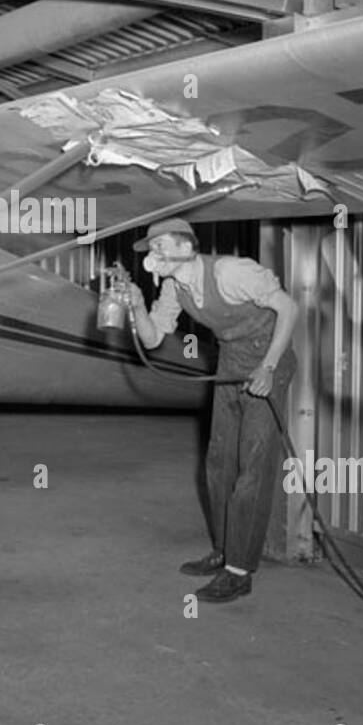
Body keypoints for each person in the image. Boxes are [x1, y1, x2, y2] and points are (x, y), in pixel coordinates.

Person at [117, 218, 299, 604]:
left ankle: (239, 570)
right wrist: (135, 304)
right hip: (231, 361)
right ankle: (223, 550)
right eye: (151, 249)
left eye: (159, 246)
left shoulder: (231, 271)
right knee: (218, 463)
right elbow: (152, 339)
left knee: (252, 466)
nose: (153, 255)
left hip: (268, 358)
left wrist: (268, 367)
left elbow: (289, 307)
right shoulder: (173, 287)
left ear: (185, 247)